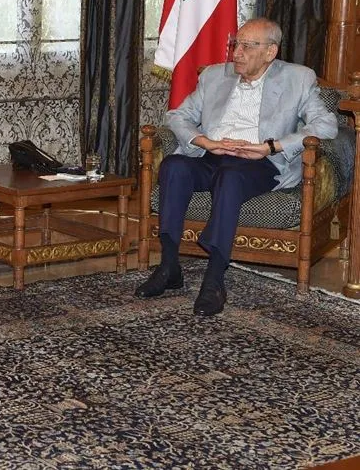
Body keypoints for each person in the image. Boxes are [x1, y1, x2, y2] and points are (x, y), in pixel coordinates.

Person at [135, 17, 337, 316]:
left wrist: (271, 146)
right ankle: (169, 267)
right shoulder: (215, 75)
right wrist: (204, 141)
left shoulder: (298, 78)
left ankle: (214, 279)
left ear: (270, 51)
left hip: (260, 162)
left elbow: (326, 125)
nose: (237, 53)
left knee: (230, 177)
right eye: (235, 44)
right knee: (174, 166)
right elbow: (177, 115)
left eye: (247, 46)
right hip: (212, 156)